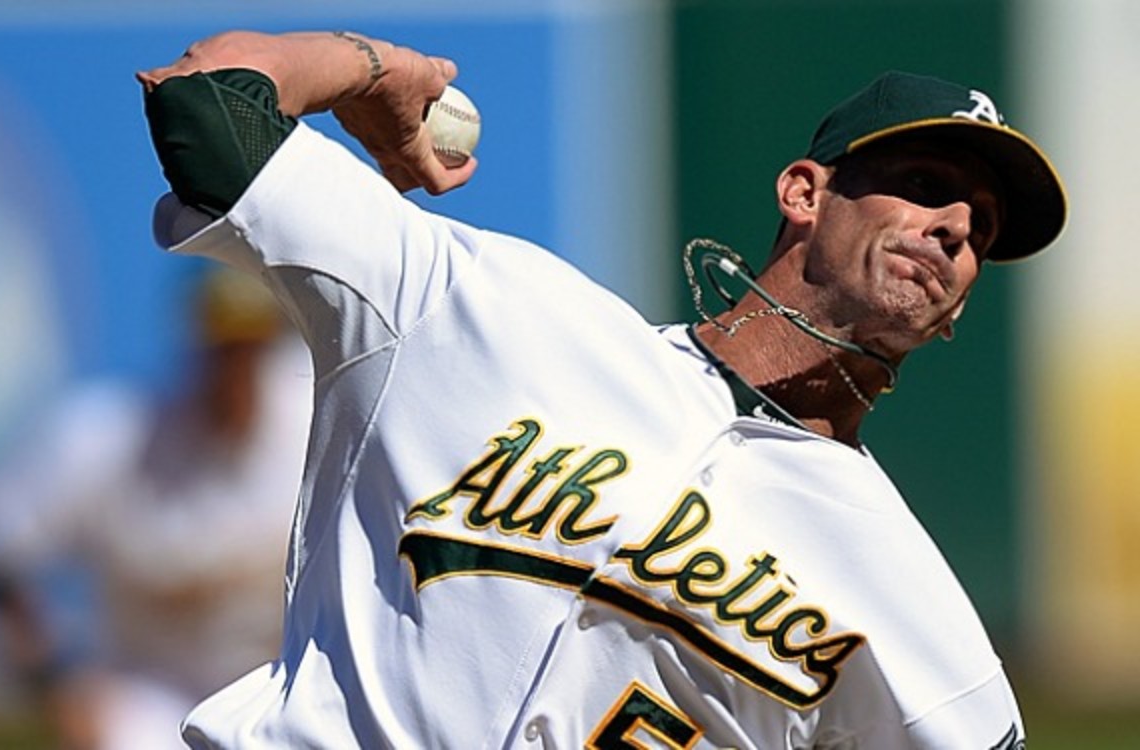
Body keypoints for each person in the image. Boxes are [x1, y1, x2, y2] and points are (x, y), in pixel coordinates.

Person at [136, 29, 1066, 749]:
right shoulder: (487, 307)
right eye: (922, 183)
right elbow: (203, 100)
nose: (954, 226)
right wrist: (374, 71)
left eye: (982, 230)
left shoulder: (916, 607)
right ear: (803, 193)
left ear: (956, 311)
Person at [0, 267, 313, 750]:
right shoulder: (113, 439)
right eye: (224, 350)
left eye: (249, 349)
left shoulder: (319, 424)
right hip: (151, 691)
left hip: (282, 686)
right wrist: (57, 682)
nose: (235, 370)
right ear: (196, 347)